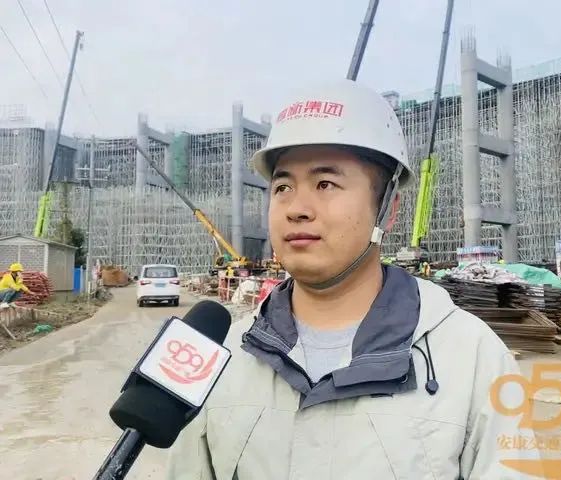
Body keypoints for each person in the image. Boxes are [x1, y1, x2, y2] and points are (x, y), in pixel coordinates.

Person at [166, 80, 539, 479]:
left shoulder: (470, 357)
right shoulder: (226, 354)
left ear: (388, 209)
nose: (296, 208)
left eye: (325, 184)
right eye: (283, 186)